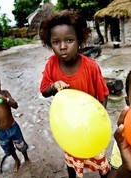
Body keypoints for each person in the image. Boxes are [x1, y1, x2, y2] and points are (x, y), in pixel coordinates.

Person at [39, 10, 110, 178]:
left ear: (79, 40)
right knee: (72, 161)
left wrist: (99, 122)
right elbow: (44, 91)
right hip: (69, 126)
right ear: (50, 44)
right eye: (56, 42)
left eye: (69, 40)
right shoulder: (51, 64)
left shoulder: (91, 66)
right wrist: (54, 86)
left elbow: (103, 95)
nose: (63, 46)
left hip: (91, 125)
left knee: (101, 162)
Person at [0, 71, 30, 172]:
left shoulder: (5, 93)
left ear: (0, 82)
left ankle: (26, 158)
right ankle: (16, 160)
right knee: (8, 149)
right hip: (1, 131)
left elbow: (15, 105)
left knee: (21, 145)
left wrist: (6, 99)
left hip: (13, 127)